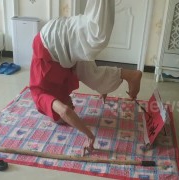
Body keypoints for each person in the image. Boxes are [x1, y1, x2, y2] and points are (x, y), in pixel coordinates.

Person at [29, 0, 142, 153]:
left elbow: (65, 112)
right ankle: (131, 75)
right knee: (94, 76)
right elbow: (88, 75)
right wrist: (102, 87)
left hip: (50, 44)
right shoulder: (61, 90)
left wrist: (89, 135)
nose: (73, 107)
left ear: (54, 114)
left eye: (71, 108)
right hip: (63, 58)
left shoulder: (40, 97)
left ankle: (130, 76)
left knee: (97, 36)